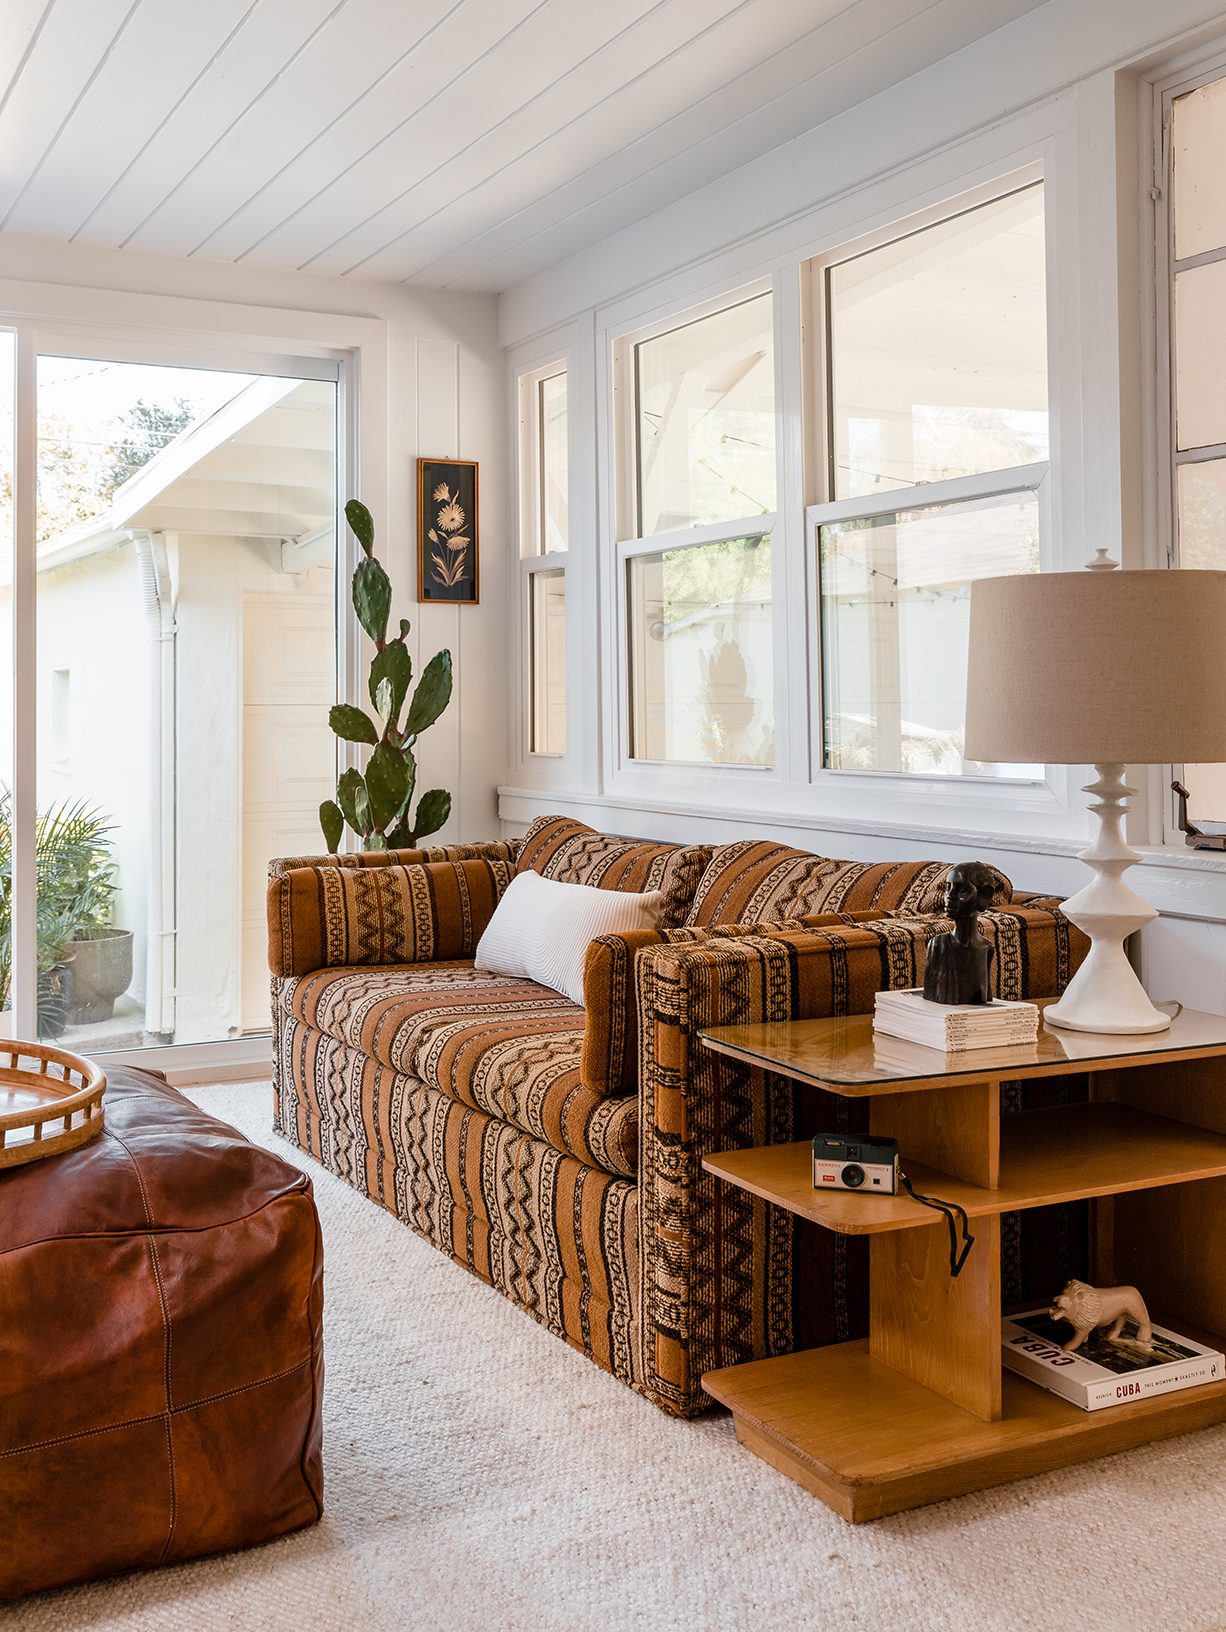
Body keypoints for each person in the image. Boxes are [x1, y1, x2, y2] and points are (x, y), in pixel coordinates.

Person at [921, 862, 999, 1005]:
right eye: (948, 888)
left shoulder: (988, 948)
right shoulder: (939, 945)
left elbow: (986, 1001)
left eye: (963, 890)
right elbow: (933, 999)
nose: (949, 896)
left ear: (983, 896)